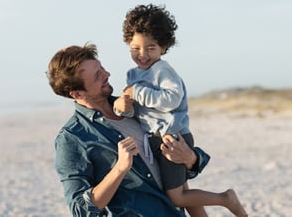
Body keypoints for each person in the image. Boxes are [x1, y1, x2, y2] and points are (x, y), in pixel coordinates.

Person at [114, 4, 248, 217]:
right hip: (155, 139)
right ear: (127, 43)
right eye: (135, 48)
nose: (142, 54)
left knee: (176, 197)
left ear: (163, 47)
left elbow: (172, 99)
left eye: (151, 48)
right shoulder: (132, 75)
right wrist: (123, 107)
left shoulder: (162, 70)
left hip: (172, 138)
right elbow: (137, 111)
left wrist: (137, 92)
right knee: (184, 192)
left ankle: (226, 199)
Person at [47, 43, 211, 217]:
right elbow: (81, 210)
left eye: (101, 68)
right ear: (77, 94)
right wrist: (120, 168)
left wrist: (190, 159)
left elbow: (181, 173)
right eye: (97, 76)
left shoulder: (137, 107)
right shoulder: (72, 139)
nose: (107, 74)